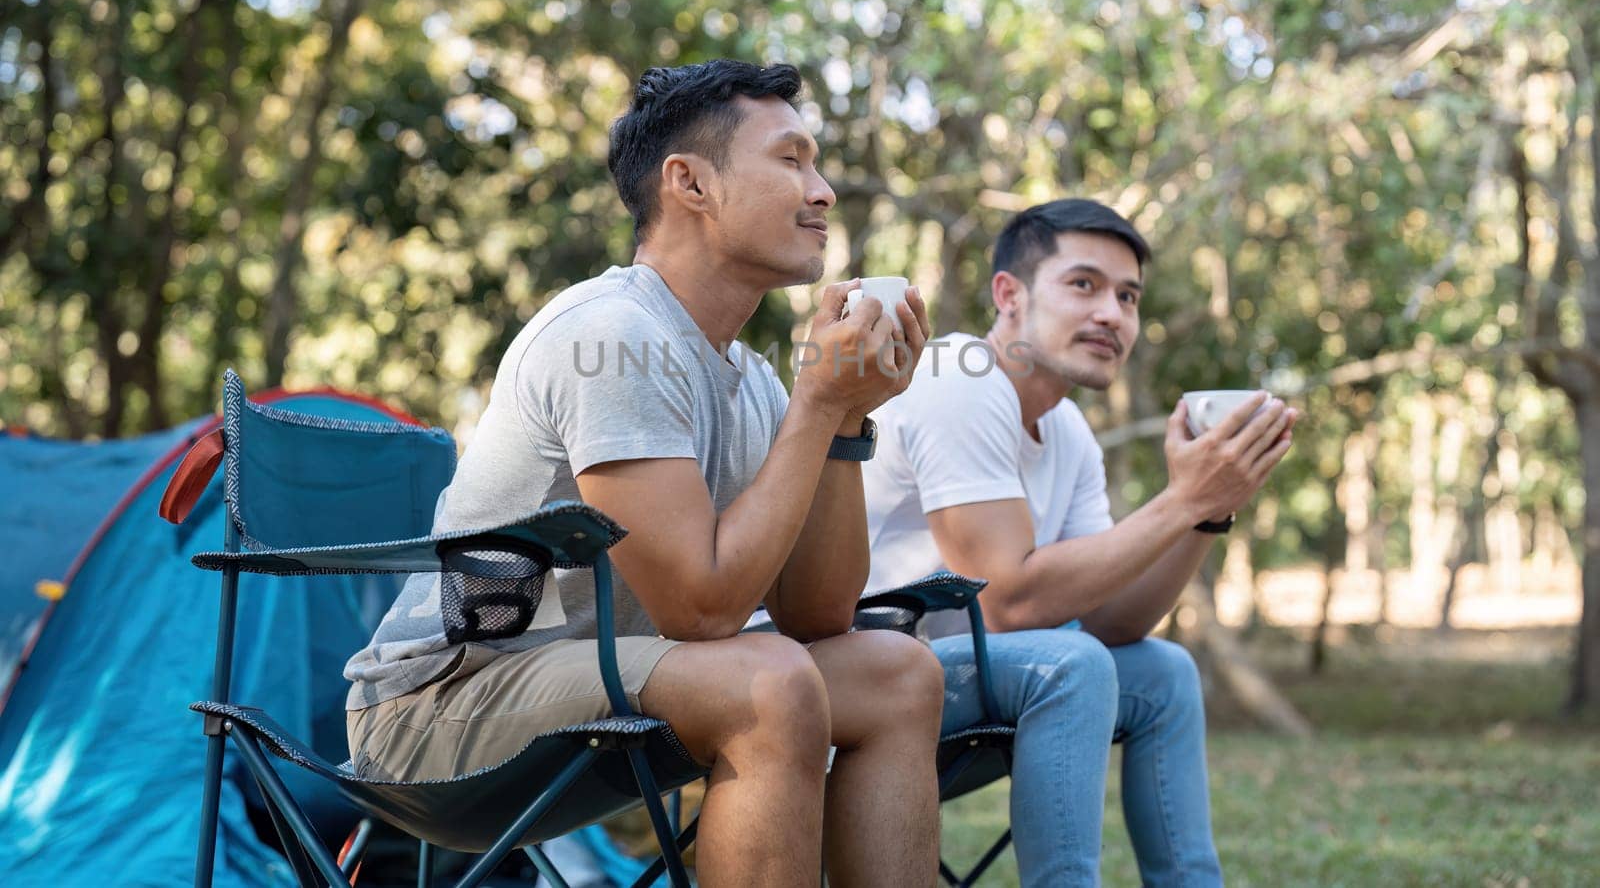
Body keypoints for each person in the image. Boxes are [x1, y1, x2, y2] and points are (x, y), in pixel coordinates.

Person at [344, 60, 945, 887]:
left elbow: (819, 611)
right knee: (765, 683)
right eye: (792, 159)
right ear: (690, 182)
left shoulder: (751, 378)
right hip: (439, 709)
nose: (824, 189)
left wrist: (842, 421)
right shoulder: (615, 335)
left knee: (896, 672)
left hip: (606, 691)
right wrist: (815, 404)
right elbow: (701, 612)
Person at [860, 198, 1299, 886]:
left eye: (1128, 296)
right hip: (862, 682)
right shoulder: (958, 373)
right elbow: (1005, 601)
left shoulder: (1068, 433)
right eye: (1084, 284)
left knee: (1164, 673)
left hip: (962, 676)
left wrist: (1209, 513)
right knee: (1070, 663)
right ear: (1010, 294)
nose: (1112, 314)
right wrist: (1181, 498)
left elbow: (1113, 618)